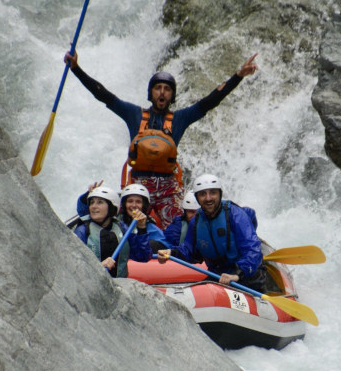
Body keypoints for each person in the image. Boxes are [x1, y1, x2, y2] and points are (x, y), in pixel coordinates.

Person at [64, 50, 259, 228]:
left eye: (167, 89)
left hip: (168, 189)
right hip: (139, 187)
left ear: (172, 95)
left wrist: (238, 75)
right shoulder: (134, 114)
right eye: (158, 88)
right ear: (151, 93)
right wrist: (76, 69)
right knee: (126, 225)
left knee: (178, 228)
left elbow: (211, 100)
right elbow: (103, 94)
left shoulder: (181, 118)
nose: (162, 92)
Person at [157, 174, 266, 291]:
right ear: (197, 198)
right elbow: (190, 251)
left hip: (245, 275)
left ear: (220, 194)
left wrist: (237, 274)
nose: (208, 198)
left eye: (213, 193)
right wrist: (171, 252)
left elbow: (253, 249)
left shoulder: (236, 215)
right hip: (218, 275)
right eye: (203, 194)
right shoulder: (195, 222)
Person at [73, 185, 152, 278]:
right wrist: (99, 266)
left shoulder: (123, 228)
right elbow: (73, 266)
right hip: (91, 282)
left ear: (111, 207)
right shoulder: (82, 231)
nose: (93, 206)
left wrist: (142, 228)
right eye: (91, 202)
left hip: (120, 284)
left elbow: (143, 256)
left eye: (100, 202)